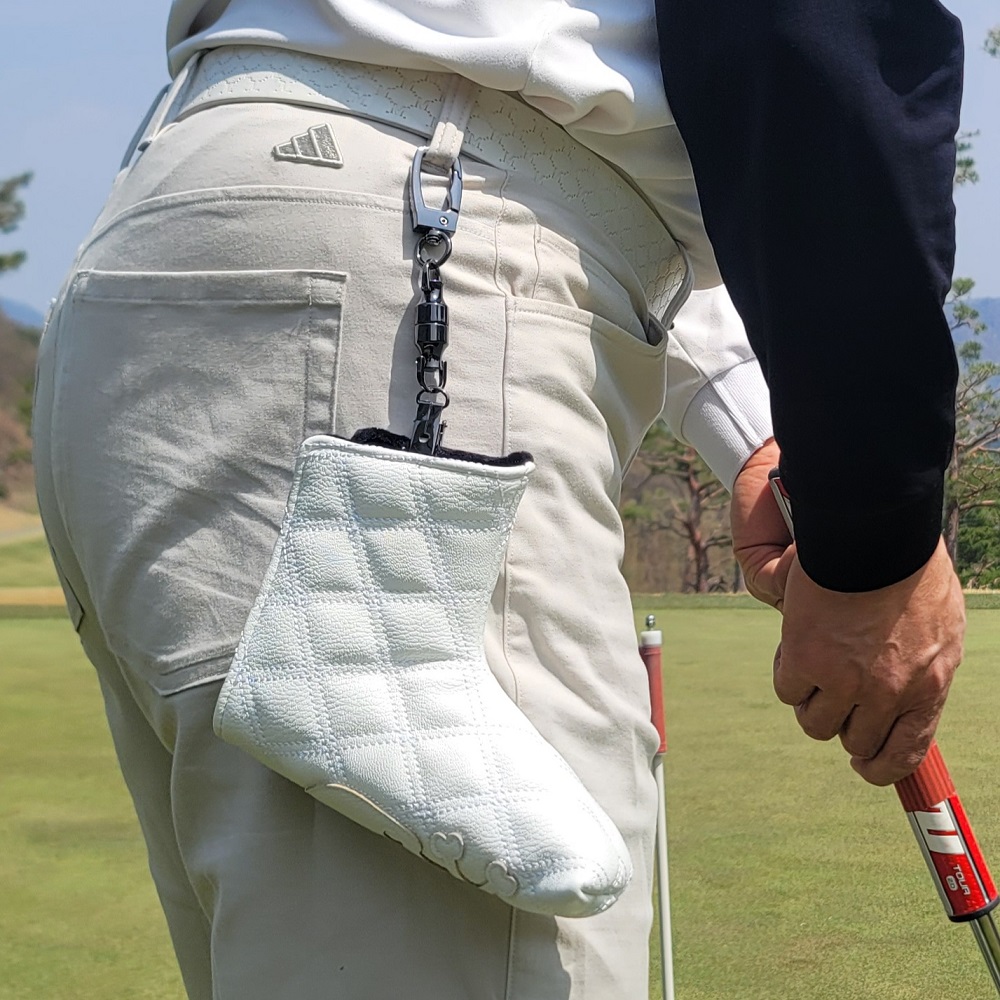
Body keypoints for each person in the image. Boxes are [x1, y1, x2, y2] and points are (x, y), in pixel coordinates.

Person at [30, 2, 963, 999]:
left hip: (192, 227)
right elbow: (810, 41)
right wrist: (873, 534)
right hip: (417, 240)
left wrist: (760, 426)